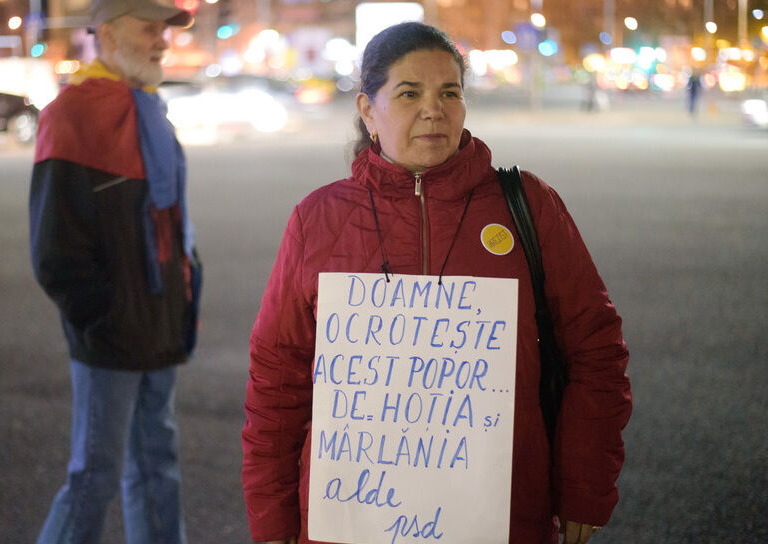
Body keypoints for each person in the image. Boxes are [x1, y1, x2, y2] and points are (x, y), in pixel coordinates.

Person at [242, 22, 631, 544]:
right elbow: (277, 377)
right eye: (409, 93)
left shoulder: (528, 206)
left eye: (450, 92)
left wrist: (585, 483)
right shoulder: (318, 219)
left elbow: (596, 349)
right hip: (350, 520)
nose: (434, 109)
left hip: (502, 517)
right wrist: (272, 514)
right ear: (367, 110)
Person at [29, 1, 201, 543]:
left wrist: (181, 298)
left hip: (159, 319)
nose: (161, 41)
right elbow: (55, 250)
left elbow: (172, 223)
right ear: (107, 33)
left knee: (157, 468)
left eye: (164, 30)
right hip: (112, 328)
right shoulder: (73, 113)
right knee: (94, 477)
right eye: (148, 29)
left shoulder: (148, 109)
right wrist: (104, 316)